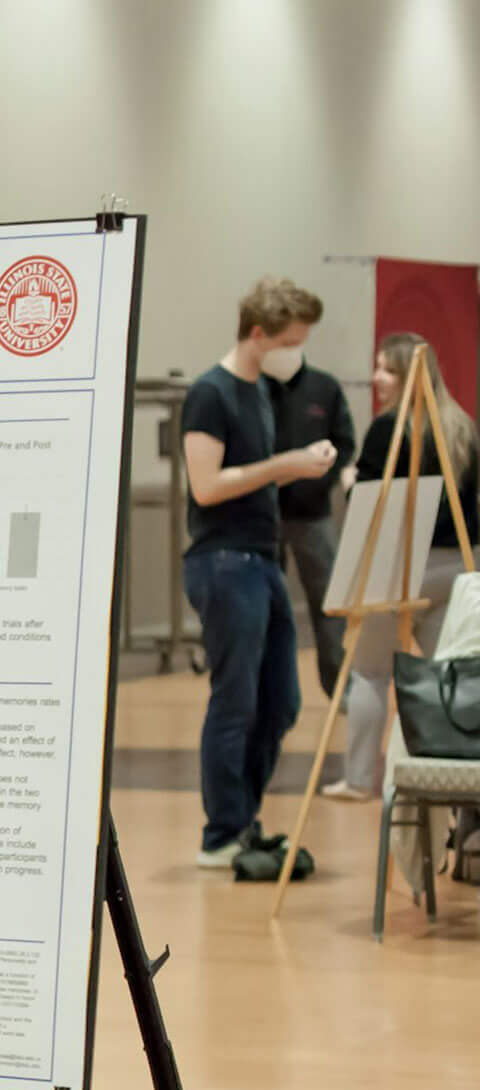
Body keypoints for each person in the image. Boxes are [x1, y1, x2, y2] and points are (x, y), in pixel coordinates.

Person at [180, 277, 337, 876]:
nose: (295, 353)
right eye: (291, 342)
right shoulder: (210, 395)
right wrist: (283, 467)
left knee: (281, 700)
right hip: (224, 562)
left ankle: (242, 817)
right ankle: (221, 830)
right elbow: (206, 485)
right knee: (236, 699)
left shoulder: (260, 394)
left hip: (261, 560)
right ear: (258, 335)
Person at [326, 332, 479, 801]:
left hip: (398, 565)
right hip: (455, 566)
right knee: (444, 677)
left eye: (387, 370)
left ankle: (359, 779)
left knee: (371, 672)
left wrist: (351, 481)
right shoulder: (462, 428)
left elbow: (370, 505)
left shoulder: (388, 430)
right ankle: (442, 772)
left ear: (411, 375)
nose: (377, 378)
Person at [267, 308, 356, 699]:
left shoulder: (324, 388)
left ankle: (338, 687)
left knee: (329, 602)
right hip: (264, 513)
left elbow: (345, 442)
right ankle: (271, 689)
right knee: (268, 602)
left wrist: (322, 482)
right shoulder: (257, 387)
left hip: (313, 513)